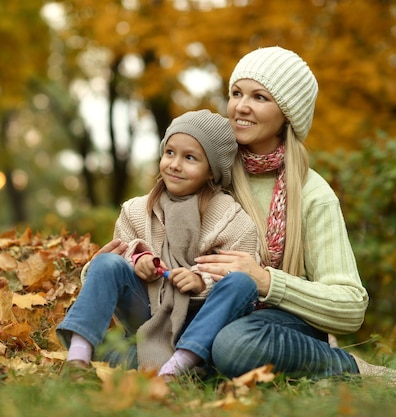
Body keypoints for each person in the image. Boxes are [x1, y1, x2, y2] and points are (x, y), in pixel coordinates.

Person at [187, 46, 396, 393]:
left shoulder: (312, 192)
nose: (241, 106)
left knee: (235, 343)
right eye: (236, 93)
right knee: (148, 345)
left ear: (287, 114)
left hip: (277, 324)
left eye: (259, 97)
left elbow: (350, 307)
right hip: (203, 307)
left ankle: (354, 369)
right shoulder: (207, 169)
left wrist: (268, 282)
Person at [56, 110, 259, 373]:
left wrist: (201, 280)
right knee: (106, 262)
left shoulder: (232, 219)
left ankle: (178, 365)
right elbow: (123, 254)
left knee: (242, 282)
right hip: (147, 310)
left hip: (199, 319)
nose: (175, 164)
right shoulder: (136, 211)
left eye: (190, 158)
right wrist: (138, 261)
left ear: (212, 170)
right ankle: (78, 359)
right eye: (170, 152)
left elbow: (239, 270)